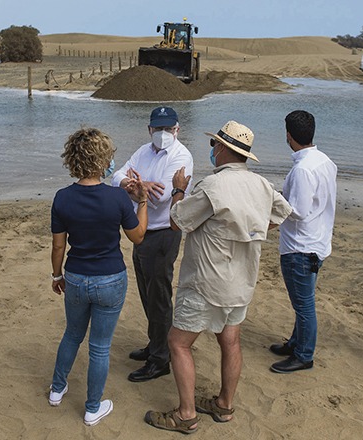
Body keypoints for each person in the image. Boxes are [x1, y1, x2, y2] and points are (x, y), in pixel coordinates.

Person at [145, 121, 292, 434]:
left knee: (178, 343)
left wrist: (179, 188)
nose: (212, 150)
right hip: (241, 280)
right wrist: (247, 234)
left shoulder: (212, 187)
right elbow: (280, 214)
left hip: (205, 281)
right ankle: (224, 405)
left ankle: (186, 414)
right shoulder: (261, 185)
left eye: (214, 145)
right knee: (230, 340)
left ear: (223, 149)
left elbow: (176, 221)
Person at [48, 127, 149, 426]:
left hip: (76, 275)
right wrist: (142, 202)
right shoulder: (117, 198)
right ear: (103, 160)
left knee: (72, 334)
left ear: (73, 159)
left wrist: (56, 275)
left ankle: (57, 389)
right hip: (110, 278)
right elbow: (138, 237)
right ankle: (93, 407)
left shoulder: (63, 197)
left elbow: (58, 245)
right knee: (100, 346)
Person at [111, 106, 194, 383]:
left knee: (159, 296)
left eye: (167, 129)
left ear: (177, 129)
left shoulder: (181, 157)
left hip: (163, 233)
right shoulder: (143, 151)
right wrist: (136, 184)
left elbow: (162, 197)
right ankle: (155, 343)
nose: (162, 134)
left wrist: (136, 186)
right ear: (149, 129)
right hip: (142, 230)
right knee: (147, 292)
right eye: (157, 129)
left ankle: (161, 358)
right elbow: (116, 177)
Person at [270, 110, 337, 374]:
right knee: (303, 299)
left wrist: (273, 199)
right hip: (317, 240)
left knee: (303, 303)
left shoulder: (303, 170)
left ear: (288, 136)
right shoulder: (324, 161)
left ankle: (304, 354)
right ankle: (297, 342)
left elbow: (296, 210)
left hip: (301, 245)